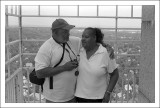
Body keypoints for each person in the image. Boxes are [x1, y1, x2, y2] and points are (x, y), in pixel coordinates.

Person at [34, 19, 81, 103]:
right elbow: (39, 73)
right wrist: (64, 68)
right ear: (54, 32)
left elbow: (89, 42)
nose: (68, 34)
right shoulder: (46, 47)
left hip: (72, 95)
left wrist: (105, 46)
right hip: (55, 98)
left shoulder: (72, 41)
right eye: (64, 32)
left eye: (68, 31)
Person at [75, 27, 119, 103]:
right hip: (78, 97)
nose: (83, 39)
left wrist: (108, 93)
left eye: (86, 37)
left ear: (94, 38)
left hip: (98, 99)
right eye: (82, 36)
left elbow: (115, 74)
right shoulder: (79, 50)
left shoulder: (105, 52)